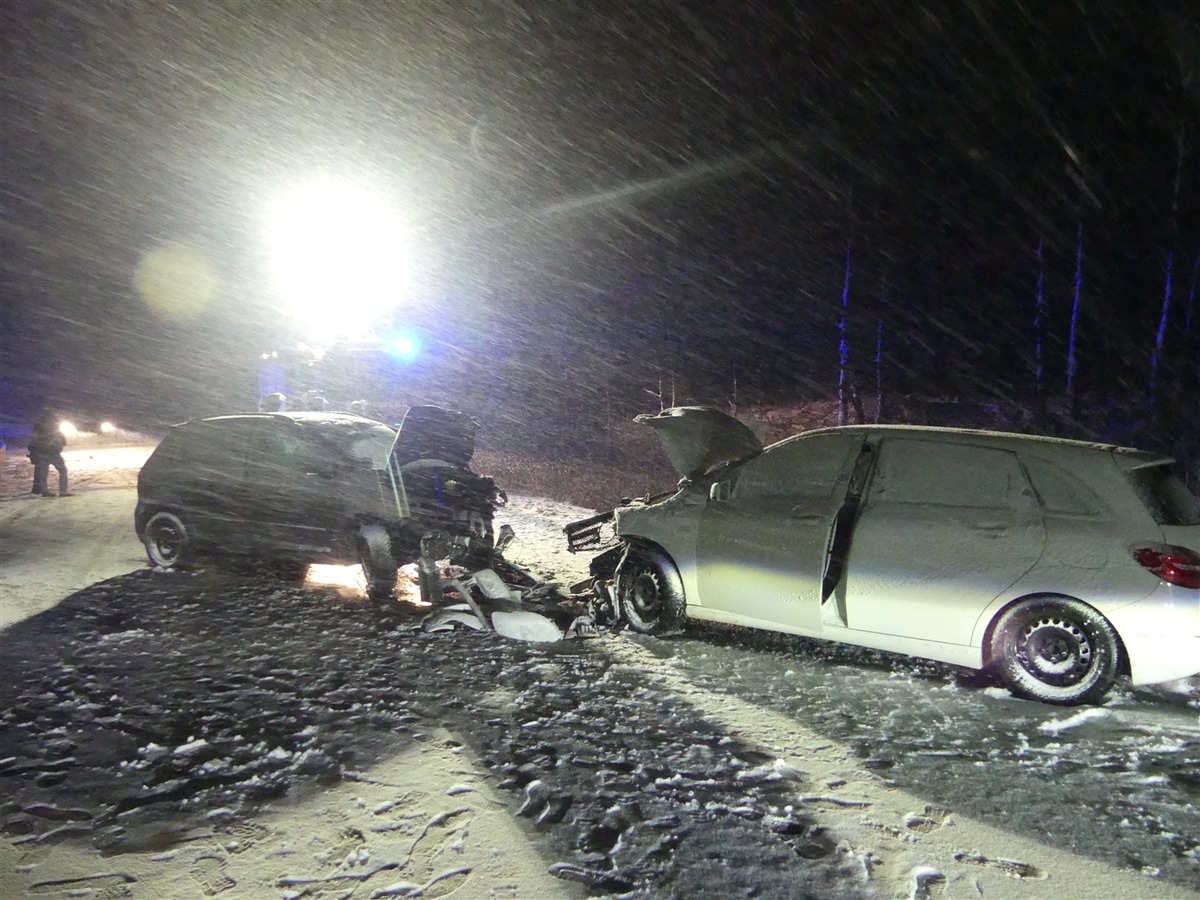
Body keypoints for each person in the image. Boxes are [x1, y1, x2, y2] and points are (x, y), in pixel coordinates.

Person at [28, 414, 70, 497]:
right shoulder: (56, 429)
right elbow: (63, 440)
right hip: (54, 453)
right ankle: (63, 491)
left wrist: (33, 453)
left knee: (43, 474)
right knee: (63, 471)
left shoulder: (38, 429)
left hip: (42, 453)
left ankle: (44, 492)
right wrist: (60, 445)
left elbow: (33, 443)